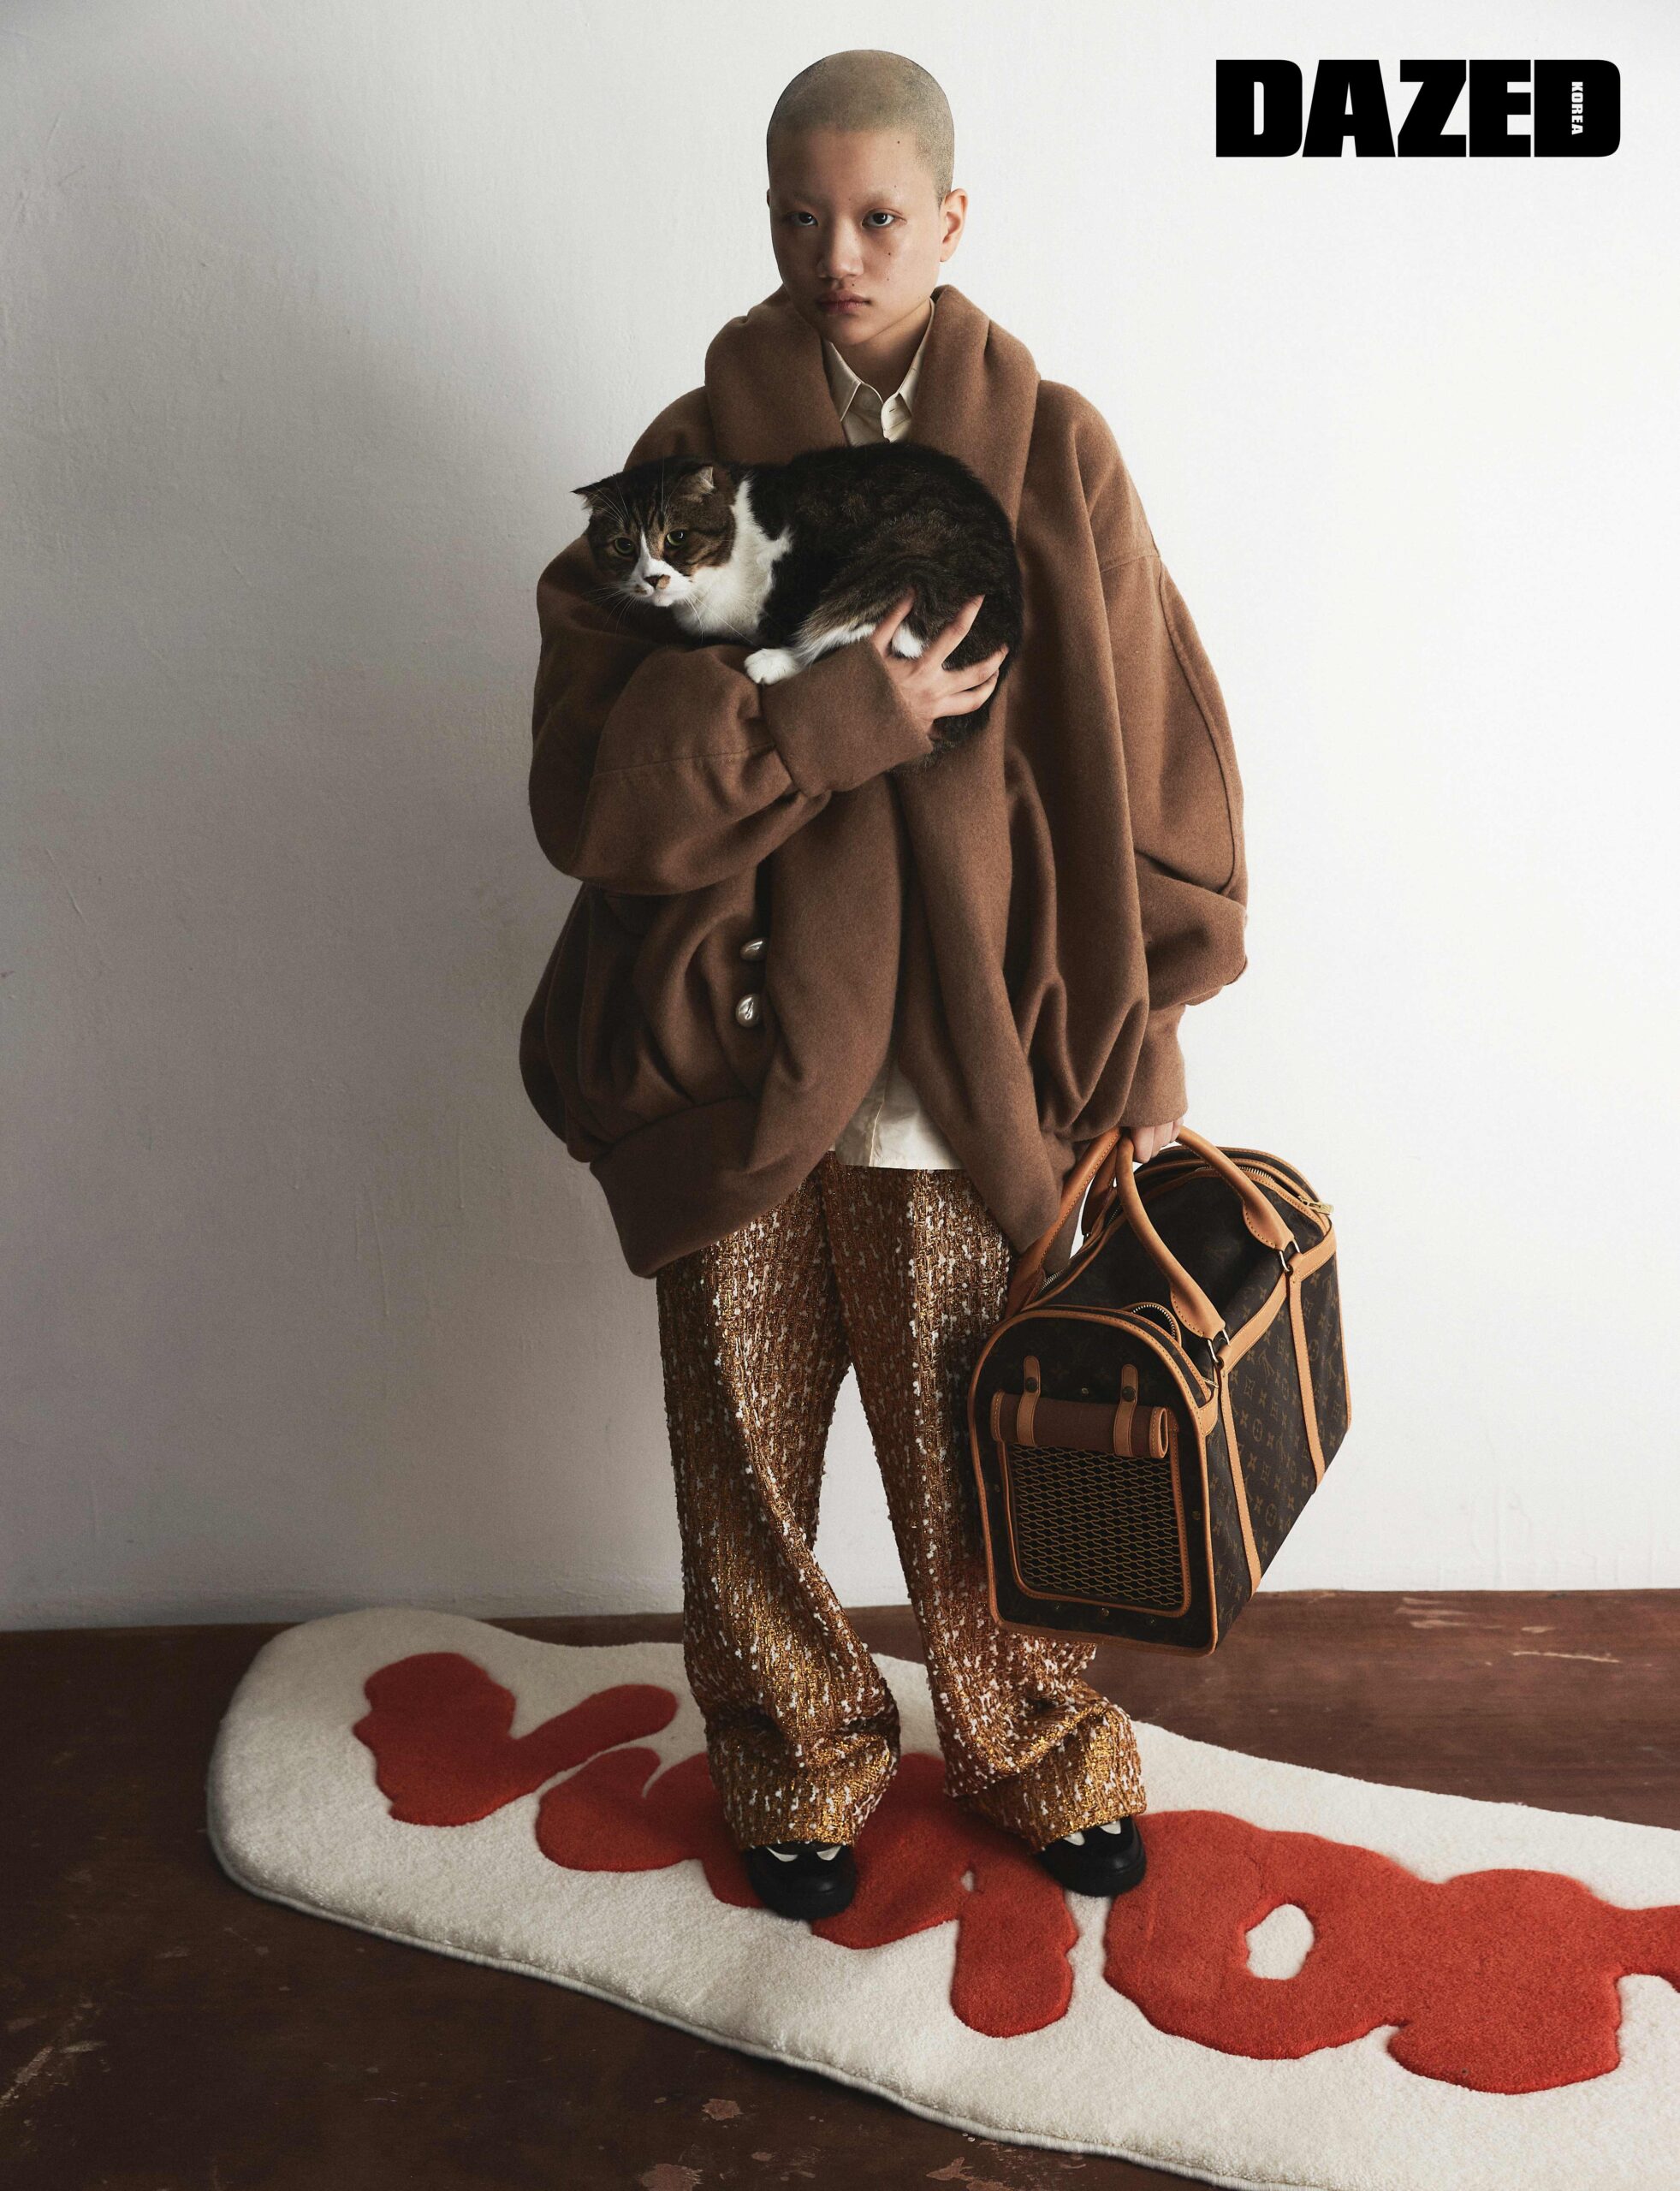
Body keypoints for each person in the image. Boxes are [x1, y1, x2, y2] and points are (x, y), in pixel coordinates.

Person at [519, 50, 1249, 1921]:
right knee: (742, 1465)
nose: (834, 255)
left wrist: (1147, 1050)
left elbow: (1155, 757)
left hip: (971, 1066)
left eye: (874, 216)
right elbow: (588, 787)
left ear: (948, 218)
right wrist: (827, 717)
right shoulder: (694, 451)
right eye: (798, 216)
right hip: (736, 1045)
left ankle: (1033, 1744)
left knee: (982, 1451)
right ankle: (791, 1758)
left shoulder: (1057, 446)